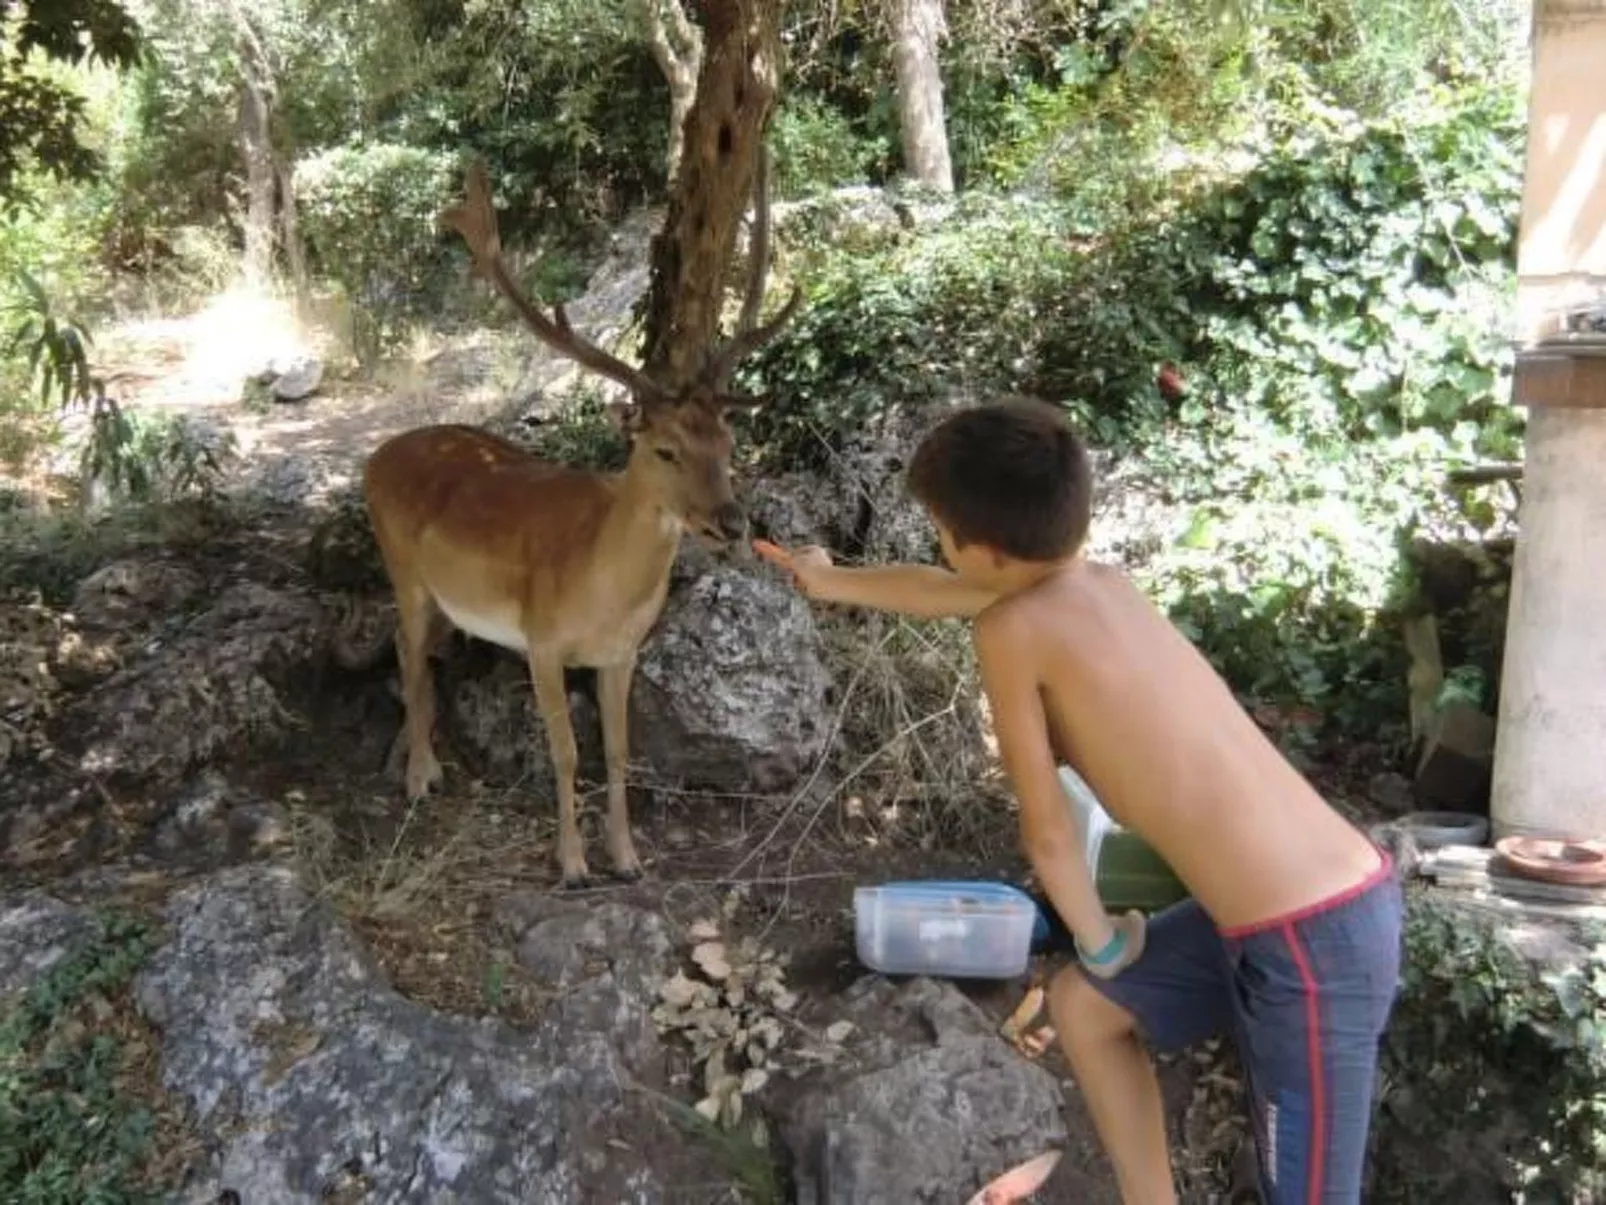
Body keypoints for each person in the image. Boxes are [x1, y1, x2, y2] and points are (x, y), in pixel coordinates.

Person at [754, 397, 1402, 1205]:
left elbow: (1049, 833)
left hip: (1312, 941)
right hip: (1292, 911)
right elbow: (947, 589)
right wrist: (831, 579)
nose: (939, 546)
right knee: (1087, 1009)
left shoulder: (1012, 631)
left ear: (977, 545)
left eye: (940, 530)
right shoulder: (1097, 584)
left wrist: (1100, 939)